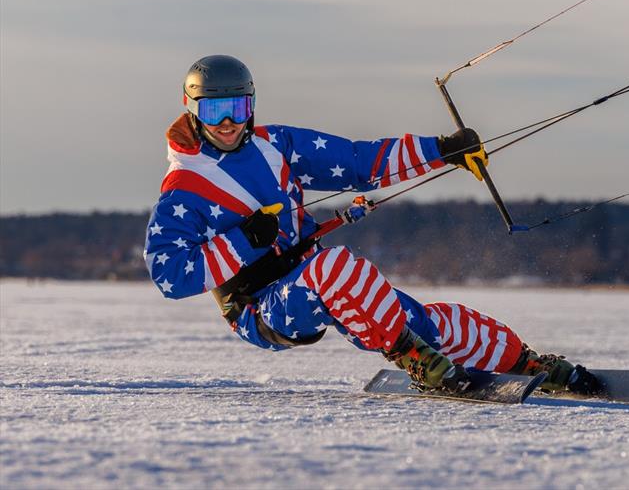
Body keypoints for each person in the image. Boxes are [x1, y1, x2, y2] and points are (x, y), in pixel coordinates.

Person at [144, 54, 601, 395]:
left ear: (252, 106)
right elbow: (168, 275)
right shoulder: (184, 187)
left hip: (318, 276)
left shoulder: (275, 144)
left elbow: (358, 161)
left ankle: (525, 364)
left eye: (237, 110)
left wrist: (442, 150)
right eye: (212, 113)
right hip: (263, 308)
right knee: (336, 268)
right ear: (191, 111)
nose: (227, 124)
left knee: (426, 320)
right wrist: (243, 242)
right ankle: (417, 361)